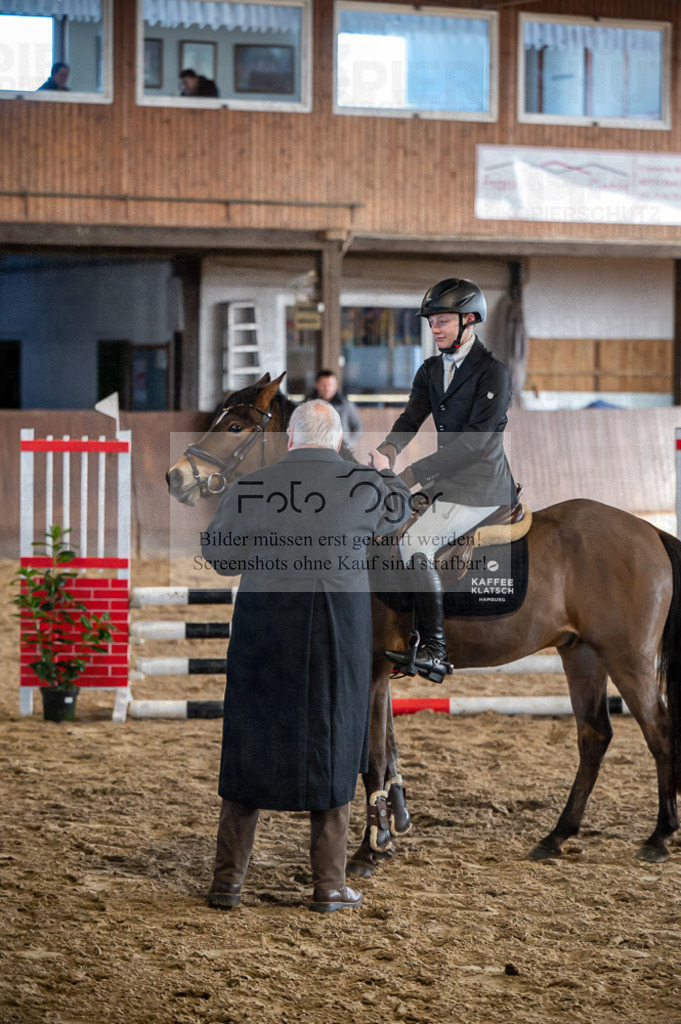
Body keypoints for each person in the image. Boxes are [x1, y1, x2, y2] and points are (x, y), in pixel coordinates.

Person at [202, 400, 411, 912]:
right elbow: (399, 515)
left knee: (249, 745)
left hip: (262, 634)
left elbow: (220, 556)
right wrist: (386, 474)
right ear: (337, 441)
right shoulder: (362, 486)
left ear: (289, 440)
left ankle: (228, 884)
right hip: (334, 637)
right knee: (334, 742)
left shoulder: (251, 485)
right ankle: (329, 886)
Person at [368, 278, 517, 684]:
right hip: (448, 482)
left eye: (443, 321)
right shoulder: (432, 369)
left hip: (481, 484)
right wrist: (388, 451)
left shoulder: (493, 373)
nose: (434, 328)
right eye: (431, 321)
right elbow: (410, 417)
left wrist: (413, 473)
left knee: (417, 541)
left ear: (469, 320)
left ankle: (435, 648)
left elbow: (473, 446)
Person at [305, 369, 363, 446]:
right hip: (314, 449)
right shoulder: (307, 404)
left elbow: (358, 426)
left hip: (340, 450)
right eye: (323, 385)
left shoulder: (345, 404)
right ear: (317, 385)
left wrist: (349, 444)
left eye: (330, 385)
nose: (327, 388)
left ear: (335, 385)